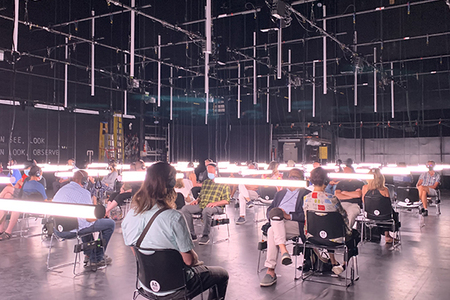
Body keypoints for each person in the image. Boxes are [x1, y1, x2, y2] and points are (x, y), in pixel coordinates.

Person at [122, 162, 228, 299]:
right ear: (171, 183)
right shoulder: (174, 217)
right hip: (176, 287)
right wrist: (196, 259)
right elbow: (189, 261)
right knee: (222, 274)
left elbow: (136, 253)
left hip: (146, 284)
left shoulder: (130, 215)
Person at [53, 170, 115, 270]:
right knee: (110, 224)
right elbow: (89, 218)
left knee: (84, 226)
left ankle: (89, 254)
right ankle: (97, 258)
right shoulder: (84, 193)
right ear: (84, 181)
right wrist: (100, 215)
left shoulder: (62, 190)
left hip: (58, 230)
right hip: (73, 230)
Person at [260, 168, 311, 287]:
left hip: (295, 224)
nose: (293, 179)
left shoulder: (306, 194)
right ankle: (282, 253)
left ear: (302, 179)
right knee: (273, 227)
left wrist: (288, 216)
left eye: (296, 177)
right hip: (278, 223)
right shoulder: (280, 193)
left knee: (273, 230)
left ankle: (271, 270)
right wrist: (276, 214)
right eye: (291, 177)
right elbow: (269, 211)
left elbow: (307, 215)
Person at [303, 167, 352, 275]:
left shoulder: (306, 198)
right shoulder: (332, 199)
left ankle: (334, 262)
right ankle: (343, 265)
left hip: (312, 237)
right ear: (326, 181)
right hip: (334, 238)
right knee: (353, 237)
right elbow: (344, 217)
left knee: (325, 227)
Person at [181, 161, 230, 245]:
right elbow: (201, 195)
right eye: (208, 171)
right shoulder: (206, 182)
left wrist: (215, 203)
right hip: (202, 204)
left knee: (206, 211)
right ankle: (192, 234)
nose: (209, 173)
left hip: (217, 207)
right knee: (185, 209)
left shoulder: (224, 183)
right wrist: (197, 200)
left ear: (216, 171)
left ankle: (205, 235)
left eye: (211, 171)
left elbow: (227, 201)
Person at [0, 165, 47, 241]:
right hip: (25, 203)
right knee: (7, 196)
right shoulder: (39, 186)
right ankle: (2, 230)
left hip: (26, 205)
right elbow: (45, 200)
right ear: (38, 174)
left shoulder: (27, 183)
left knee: (8, 198)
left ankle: (7, 231)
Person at [362, 168, 400, 244]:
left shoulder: (365, 188)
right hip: (384, 216)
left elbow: (364, 202)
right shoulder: (385, 190)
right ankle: (387, 235)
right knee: (387, 211)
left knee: (378, 209)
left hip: (370, 215)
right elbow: (388, 204)